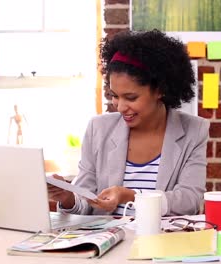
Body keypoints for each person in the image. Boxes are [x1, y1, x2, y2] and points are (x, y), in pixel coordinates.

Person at [47, 29, 209, 216]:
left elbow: (189, 200)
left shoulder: (194, 131)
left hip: (161, 241)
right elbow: (86, 203)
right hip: (109, 240)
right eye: (114, 96)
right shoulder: (98, 129)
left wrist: (130, 196)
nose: (120, 106)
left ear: (160, 90)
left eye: (131, 97)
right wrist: (68, 197)